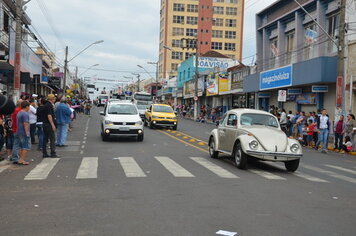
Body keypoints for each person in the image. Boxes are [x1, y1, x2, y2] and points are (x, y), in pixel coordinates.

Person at [14, 101, 31, 165]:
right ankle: (21, 160)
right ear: (26, 106)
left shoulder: (19, 113)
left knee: (21, 146)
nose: (29, 108)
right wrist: (27, 133)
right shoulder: (25, 114)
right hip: (23, 132)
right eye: (29, 106)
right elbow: (25, 123)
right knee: (25, 146)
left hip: (19, 131)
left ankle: (20, 159)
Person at [42, 94, 58, 158]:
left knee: (45, 139)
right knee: (52, 139)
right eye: (54, 98)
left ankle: (44, 153)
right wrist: (52, 125)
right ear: (52, 99)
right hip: (48, 124)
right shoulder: (49, 105)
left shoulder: (45, 105)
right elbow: (49, 115)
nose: (55, 100)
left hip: (45, 123)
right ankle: (53, 153)